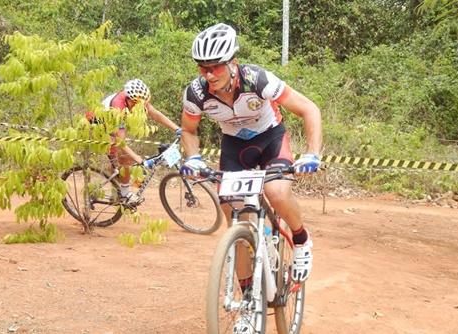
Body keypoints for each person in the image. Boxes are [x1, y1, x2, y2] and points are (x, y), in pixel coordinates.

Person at [180, 23, 322, 292]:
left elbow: (308, 109)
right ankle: (247, 295)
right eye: (202, 67)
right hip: (235, 147)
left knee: (276, 193)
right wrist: (194, 158)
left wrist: (312, 154)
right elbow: (189, 130)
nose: (209, 74)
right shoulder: (195, 94)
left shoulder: (257, 79)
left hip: (271, 139)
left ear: (232, 62)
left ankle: (301, 240)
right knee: (234, 218)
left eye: (216, 66)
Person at [100, 79, 181, 203]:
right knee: (123, 158)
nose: (141, 106)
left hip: (110, 125)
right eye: (137, 103)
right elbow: (120, 141)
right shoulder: (118, 107)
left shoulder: (137, 98)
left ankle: (118, 189)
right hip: (97, 128)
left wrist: (177, 128)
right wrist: (139, 159)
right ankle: (124, 194)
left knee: (126, 161)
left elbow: (154, 113)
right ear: (129, 100)